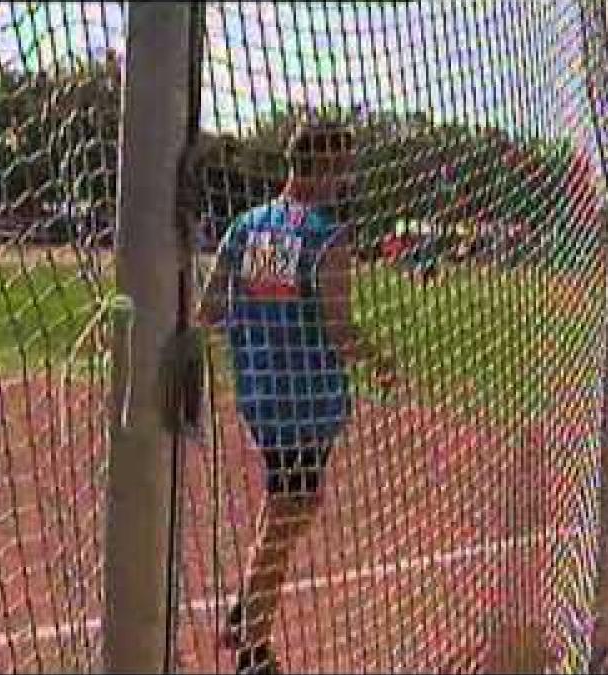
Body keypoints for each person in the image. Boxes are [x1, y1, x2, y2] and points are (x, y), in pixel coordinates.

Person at [196, 121, 394, 674]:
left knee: (287, 503)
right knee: (291, 515)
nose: (346, 178)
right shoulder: (325, 235)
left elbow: (211, 305)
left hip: (260, 393)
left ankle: (245, 610)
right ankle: (253, 648)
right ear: (327, 168)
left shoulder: (249, 226)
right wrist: (379, 361)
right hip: (305, 401)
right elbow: (337, 326)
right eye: (343, 167)